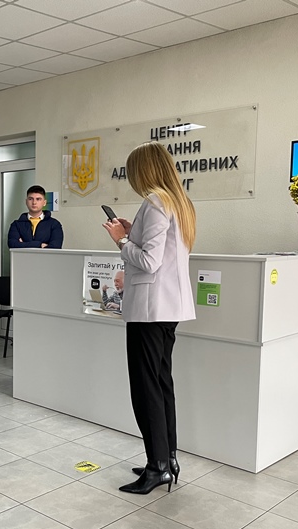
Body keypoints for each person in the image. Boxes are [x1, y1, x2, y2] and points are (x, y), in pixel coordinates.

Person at [102, 141, 196, 495]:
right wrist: (133, 232)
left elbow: (149, 261)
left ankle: (157, 468)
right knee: (161, 383)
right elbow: (162, 252)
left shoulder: (156, 202)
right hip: (168, 308)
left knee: (146, 390)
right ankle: (166, 459)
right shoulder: (178, 202)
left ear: (144, 170)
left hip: (150, 310)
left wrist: (120, 240)